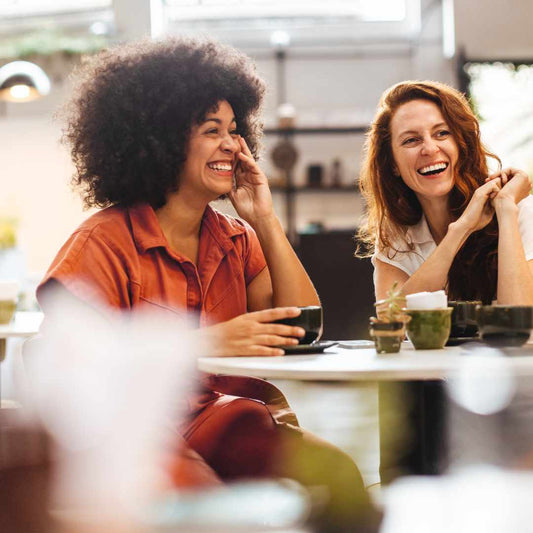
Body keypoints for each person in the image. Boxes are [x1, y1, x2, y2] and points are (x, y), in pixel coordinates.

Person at [36, 37, 377, 532]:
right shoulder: (100, 243)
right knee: (227, 514)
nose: (231, 145)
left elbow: (302, 329)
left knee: (340, 477)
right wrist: (202, 345)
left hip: (233, 425)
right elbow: (66, 379)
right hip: (142, 440)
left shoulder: (236, 238)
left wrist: (265, 219)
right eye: (211, 130)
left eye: (235, 131)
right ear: (161, 138)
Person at [357, 80, 533, 304]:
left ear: (462, 144)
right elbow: (393, 325)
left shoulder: (521, 212)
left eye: (442, 133)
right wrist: (461, 229)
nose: (430, 149)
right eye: (411, 140)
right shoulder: (397, 238)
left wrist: (507, 209)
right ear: (392, 163)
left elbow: (521, 325)